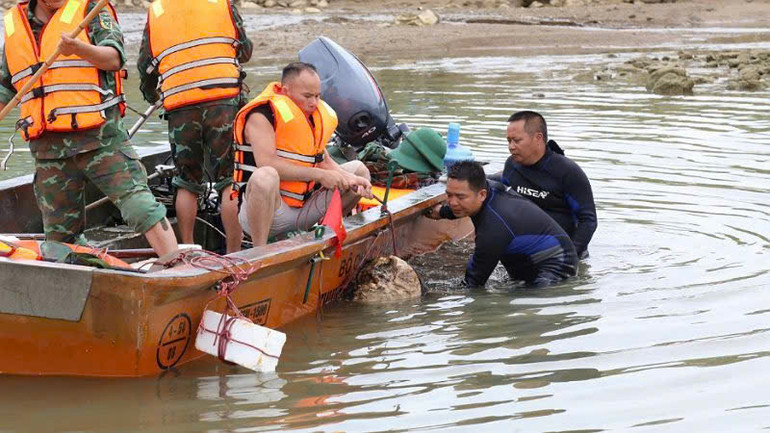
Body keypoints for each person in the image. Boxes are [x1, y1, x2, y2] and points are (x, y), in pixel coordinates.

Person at [0, 0, 177, 256]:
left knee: (140, 207)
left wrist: (78, 48)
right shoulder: (16, 24)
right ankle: (80, 279)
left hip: (100, 139)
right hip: (49, 150)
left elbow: (114, 58)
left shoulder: (91, 10)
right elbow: (7, 85)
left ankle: (175, 265)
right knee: (60, 236)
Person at [138, 0, 253, 253]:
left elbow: (145, 65)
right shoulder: (222, 3)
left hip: (181, 107)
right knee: (229, 180)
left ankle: (189, 249)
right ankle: (234, 252)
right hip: (223, 102)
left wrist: (152, 96)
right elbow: (244, 51)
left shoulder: (157, 10)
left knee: (186, 182)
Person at [232, 62, 373, 246]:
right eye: (307, 96)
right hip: (272, 212)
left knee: (360, 172)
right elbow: (267, 163)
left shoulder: (311, 116)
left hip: (304, 210)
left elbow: (324, 161)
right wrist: (320, 176)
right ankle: (260, 252)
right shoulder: (261, 115)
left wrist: (350, 179)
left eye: (317, 96)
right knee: (264, 176)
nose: (314, 103)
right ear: (286, 90)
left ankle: (324, 238)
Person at [427, 161, 577, 288]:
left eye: (460, 196)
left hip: (556, 269)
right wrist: (442, 212)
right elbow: (465, 206)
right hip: (546, 253)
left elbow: (473, 283)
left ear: (482, 194)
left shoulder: (492, 229)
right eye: (449, 195)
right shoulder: (490, 189)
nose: (452, 202)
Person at [489, 111, 597, 258]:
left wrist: (570, 257)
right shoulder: (512, 165)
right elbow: (501, 193)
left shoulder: (568, 172)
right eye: (509, 141)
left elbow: (588, 220)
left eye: (517, 140)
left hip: (563, 253)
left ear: (538, 138)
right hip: (528, 249)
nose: (511, 147)